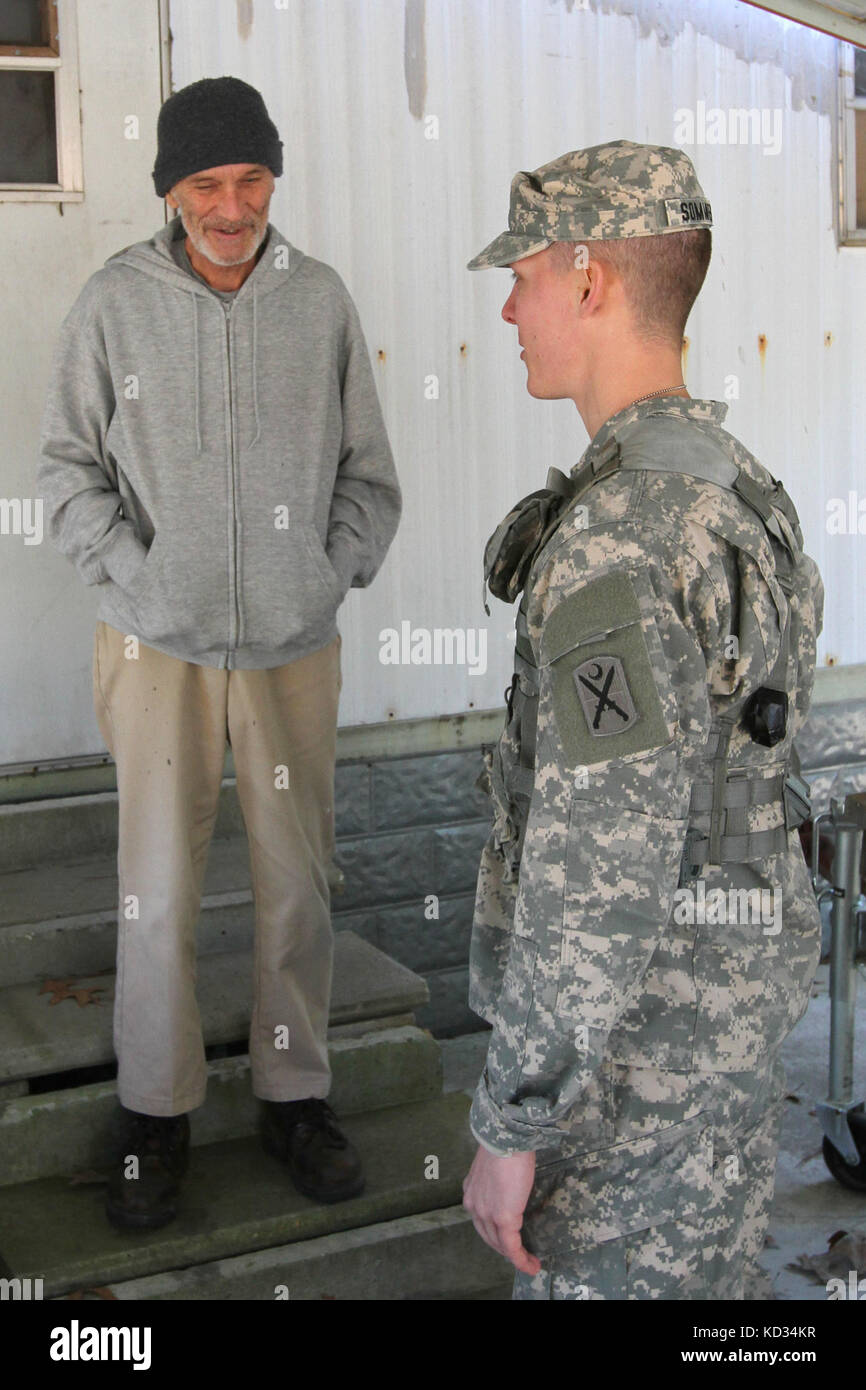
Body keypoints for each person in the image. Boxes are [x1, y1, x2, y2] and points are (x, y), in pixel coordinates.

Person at [461, 139, 824, 1300]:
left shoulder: (619, 536)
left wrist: (513, 1117)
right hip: (723, 1014)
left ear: (586, 277)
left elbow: (596, 862)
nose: (509, 305)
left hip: (634, 1053)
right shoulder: (730, 483)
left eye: (521, 272)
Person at [37, 76, 401, 1230]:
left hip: (292, 649)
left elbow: (368, 475)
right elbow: (65, 469)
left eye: (249, 180)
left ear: (271, 179)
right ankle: (154, 1111)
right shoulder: (112, 304)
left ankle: (294, 1094)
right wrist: (140, 577)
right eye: (206, 183)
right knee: (157, 891)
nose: (231, 205)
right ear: (170, 191)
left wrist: (325, 569)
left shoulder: (320, 302)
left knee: (299, 882)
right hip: (156, 653)